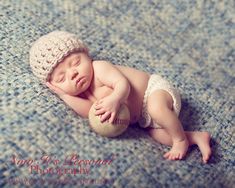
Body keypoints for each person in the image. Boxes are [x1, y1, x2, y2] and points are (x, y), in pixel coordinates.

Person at [29, 31, 212, 163]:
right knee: (158, 135)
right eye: (62, 78)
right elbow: (88, 113)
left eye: (75, 63)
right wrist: (63, 95)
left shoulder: (99, 68)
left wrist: (115, 98)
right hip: (143, 118)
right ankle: (194, 137)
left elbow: (122, 84)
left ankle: (180, 141)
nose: (73, 74)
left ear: (86, 55)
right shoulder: (82, 95)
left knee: (157, 110)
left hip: (154, 91)